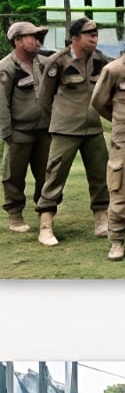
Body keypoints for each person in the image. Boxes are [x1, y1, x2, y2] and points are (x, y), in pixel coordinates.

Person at [35, 17, 110, 246]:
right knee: (55, 175)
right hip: (65, 130)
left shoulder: (100, 60)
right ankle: (46, 225)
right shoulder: (59, 61)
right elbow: (44, 98)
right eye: (90, 36)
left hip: (93, 129)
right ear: (75, 38)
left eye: (96, 35)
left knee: (100, 176)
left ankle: (101, 218)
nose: (94, 40)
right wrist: (58, 121)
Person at [0, 21, 50, 237]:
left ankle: (45, 213)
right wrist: (6, 132)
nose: (37, 40)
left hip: (45, 129)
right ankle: (15, 214)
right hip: (19, 130)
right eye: (31, 36)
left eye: (38, 36)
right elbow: (1, 102)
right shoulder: (7, 67)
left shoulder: (44, 63)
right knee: (14, 175)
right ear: (17, 41)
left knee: (46, 174)